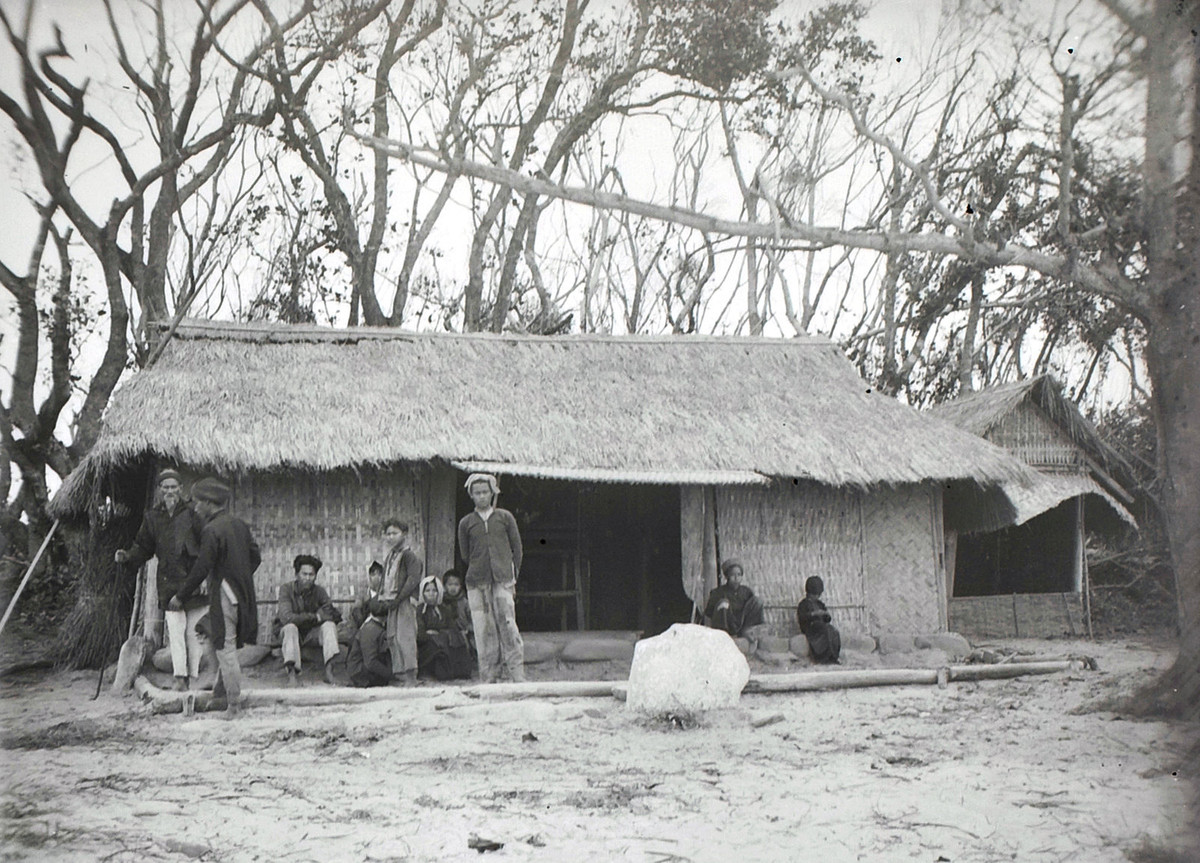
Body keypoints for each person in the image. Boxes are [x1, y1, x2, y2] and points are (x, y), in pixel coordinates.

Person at [170, 478, 260, 718]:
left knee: (225, 648)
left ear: (209, 503)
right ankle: (220, 695)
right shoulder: (239, 525)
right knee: (214, 639)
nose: (196, 507)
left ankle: (233, 705)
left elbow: (202, 567)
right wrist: (240, 575)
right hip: (241, 594)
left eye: (198, 502)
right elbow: (256, 557)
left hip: (224, 595)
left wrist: (181, 596)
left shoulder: (211, 530)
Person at [115, 468, 206, 691]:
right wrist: (126, 556)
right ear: (159, 490)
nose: (169, 492)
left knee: (194, 633)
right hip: (168, 583)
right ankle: (180, 678)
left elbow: (207, 548)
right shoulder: (152, 518)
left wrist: (205, 577)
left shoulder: (194, 515)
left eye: (173, 487)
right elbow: (143, 547)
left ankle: (196, 678)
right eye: (165, 488)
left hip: (194, 581)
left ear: (181, 489)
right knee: (175, 632)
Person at [457, 473, 525, 683]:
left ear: (492, 493)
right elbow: (465, 554)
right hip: (477, 582)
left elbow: (517, 549)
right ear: (471, 495)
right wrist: (480, 568)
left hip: (503, 580)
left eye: (485, 492)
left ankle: (517, 675)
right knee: (483, 630)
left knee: (508, 625)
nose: (481, 496)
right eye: (477, 493)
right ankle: (489, 677)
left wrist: (510, 576)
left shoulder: (505, 517)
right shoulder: (466, 523)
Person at [275, 554, 342, 686]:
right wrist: (315, 617)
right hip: (291, 634)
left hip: (311, 633)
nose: (307, 578)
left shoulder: (319, 591)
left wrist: (316, 618)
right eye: (304, 574)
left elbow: (333, 613)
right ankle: (292, 675)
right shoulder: (286, 590)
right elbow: (287, 617)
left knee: (329, 625)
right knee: (290, 627)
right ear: (296, 574)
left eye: (311, 575)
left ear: (315, 576)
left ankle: (329, 672)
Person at [382, 519, 423, 686]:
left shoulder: (409, 556)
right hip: (392, 601)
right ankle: (400, 675)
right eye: (388, 534)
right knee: (393, 637)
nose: (391, 537)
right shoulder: (390, 556)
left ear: (404, 535)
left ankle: (411, 675)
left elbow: (412, 580)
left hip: (404, 601)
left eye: (395, 533)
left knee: (405, 637)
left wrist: (399, 599)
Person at [416, 573, 473, 681]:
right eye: (427, 591)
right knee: (437, 649)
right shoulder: (419, 611)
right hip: (427, 646)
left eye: (434, 590)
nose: (431, 594)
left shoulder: (443, 609)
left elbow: (452, 627)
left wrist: (440, 634)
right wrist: (434, 636)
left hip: (443, 642)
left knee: (458, 642)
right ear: (422, 593)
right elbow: (420, 634)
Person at [704, 558, 765, 638]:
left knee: (757, 601)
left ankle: (747, 631)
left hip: (742, 624)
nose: (736, 578)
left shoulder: (746, 591)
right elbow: (709, 612)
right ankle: (725, 635)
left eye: (739, 575)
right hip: (726, 625)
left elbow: (752, 609)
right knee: (723, 603)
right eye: (733, 575)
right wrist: (721, 608)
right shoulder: (718, 592)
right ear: (727, 577)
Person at [346, 594, 391, 688]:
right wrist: (390, 675)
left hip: (364, 667)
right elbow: (370, 662)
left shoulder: (375, 626)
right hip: (359, 672)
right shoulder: (371, 629)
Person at [796, 575, 841, 664]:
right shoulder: (803, 604)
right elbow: (802, 618)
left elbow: (827, 619)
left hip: (821, 626)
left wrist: (825, 615)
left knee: (833, 631)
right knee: (825, 630)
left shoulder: (820, 604)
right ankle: (822, 657)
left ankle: (833, 656)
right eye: (814, 595)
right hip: (810, 628)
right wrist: (814, 614)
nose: (815, 597)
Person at [441, 569, 474, 656]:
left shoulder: (464, 601)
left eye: (456, 585)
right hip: (448, 633)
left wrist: (468, 628)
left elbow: (472, 618)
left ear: (460, 586)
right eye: (450, 584)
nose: (453, 588)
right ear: (444, 586)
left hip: (464, 632)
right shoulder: (442, 601)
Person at [349, 560, 386, 632]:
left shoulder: (385, 594)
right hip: (365, 628)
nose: (377, 578)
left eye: (378, 574)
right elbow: (356, 608)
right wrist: (362, 623)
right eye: (372, 574)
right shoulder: (364, 595)